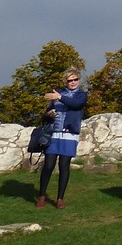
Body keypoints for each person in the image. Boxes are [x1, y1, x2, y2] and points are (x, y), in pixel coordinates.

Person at [36, 68, 87, 209]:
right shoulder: (58, 94)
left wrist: (59, 97)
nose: (73, 82)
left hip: (70, 134)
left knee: (64, 166)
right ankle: (41, 195)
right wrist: (49, 114)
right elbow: (45, 114)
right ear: (66, 81)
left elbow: (76, 105)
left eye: (75, 79)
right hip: (54, 133)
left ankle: (60, 199)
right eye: (70, 80)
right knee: (48, 165)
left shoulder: (81, 95)